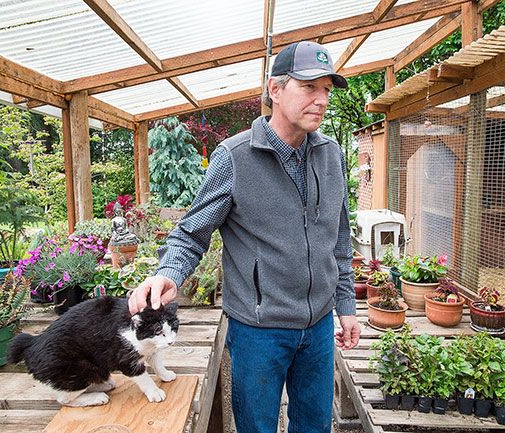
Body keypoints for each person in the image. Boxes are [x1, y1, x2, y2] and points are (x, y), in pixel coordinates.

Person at [129, 40, 360, 433]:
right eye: (309, 87)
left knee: (316, 426)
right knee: (256, 427)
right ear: (275, 89)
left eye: (327, 89)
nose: (321, 99)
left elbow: (338, 238)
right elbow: (191, 233)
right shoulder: (234, 157)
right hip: (259, 329)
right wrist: (170, 271)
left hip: (319, 326)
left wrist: (346, 305)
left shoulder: (331, 154)